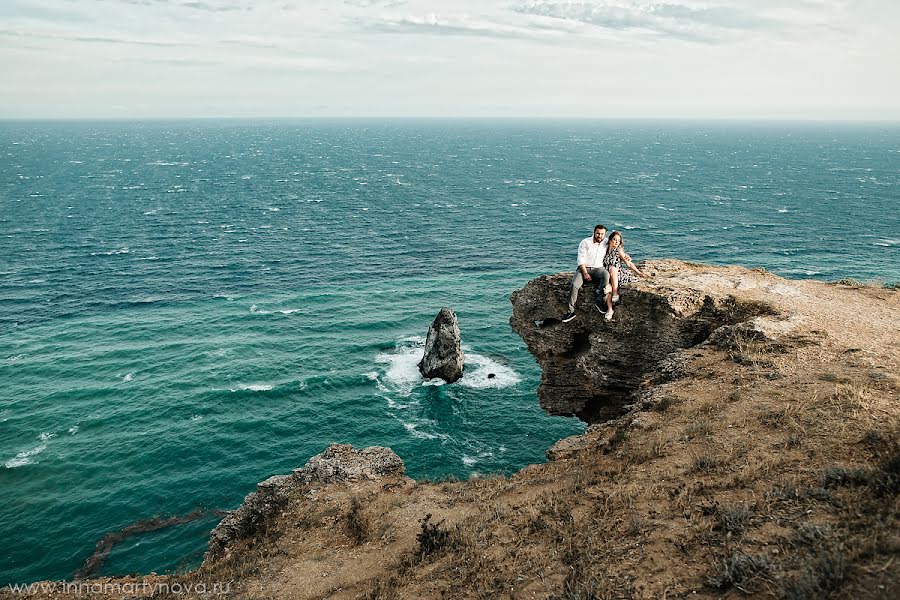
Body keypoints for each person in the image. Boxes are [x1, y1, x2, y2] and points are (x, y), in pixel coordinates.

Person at [561, 224, 613, 323]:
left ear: (605, 235)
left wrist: (625, 255)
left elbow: (616, 244)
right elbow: (580, 260)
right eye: (598, 233)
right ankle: (571, 311)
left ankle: (599, 301)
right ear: (594, 232)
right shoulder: (585, 242)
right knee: (574, 285)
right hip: (583, 269)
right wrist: (585, 273)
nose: (600, 236)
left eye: (602, 234)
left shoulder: (606, 242)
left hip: (598, 269)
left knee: (606, 275)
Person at [601, 230, 645, 321]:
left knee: (612, 269)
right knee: (607, 289)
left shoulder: (618, 250)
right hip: (608, 275)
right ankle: (610, 310)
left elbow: (628, 263)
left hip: (617, 274)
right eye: (614, 239)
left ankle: (615, 293)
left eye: (618, 241)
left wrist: (638, 272)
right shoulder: (604, 249)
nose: (616, 242)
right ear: (609, 240)